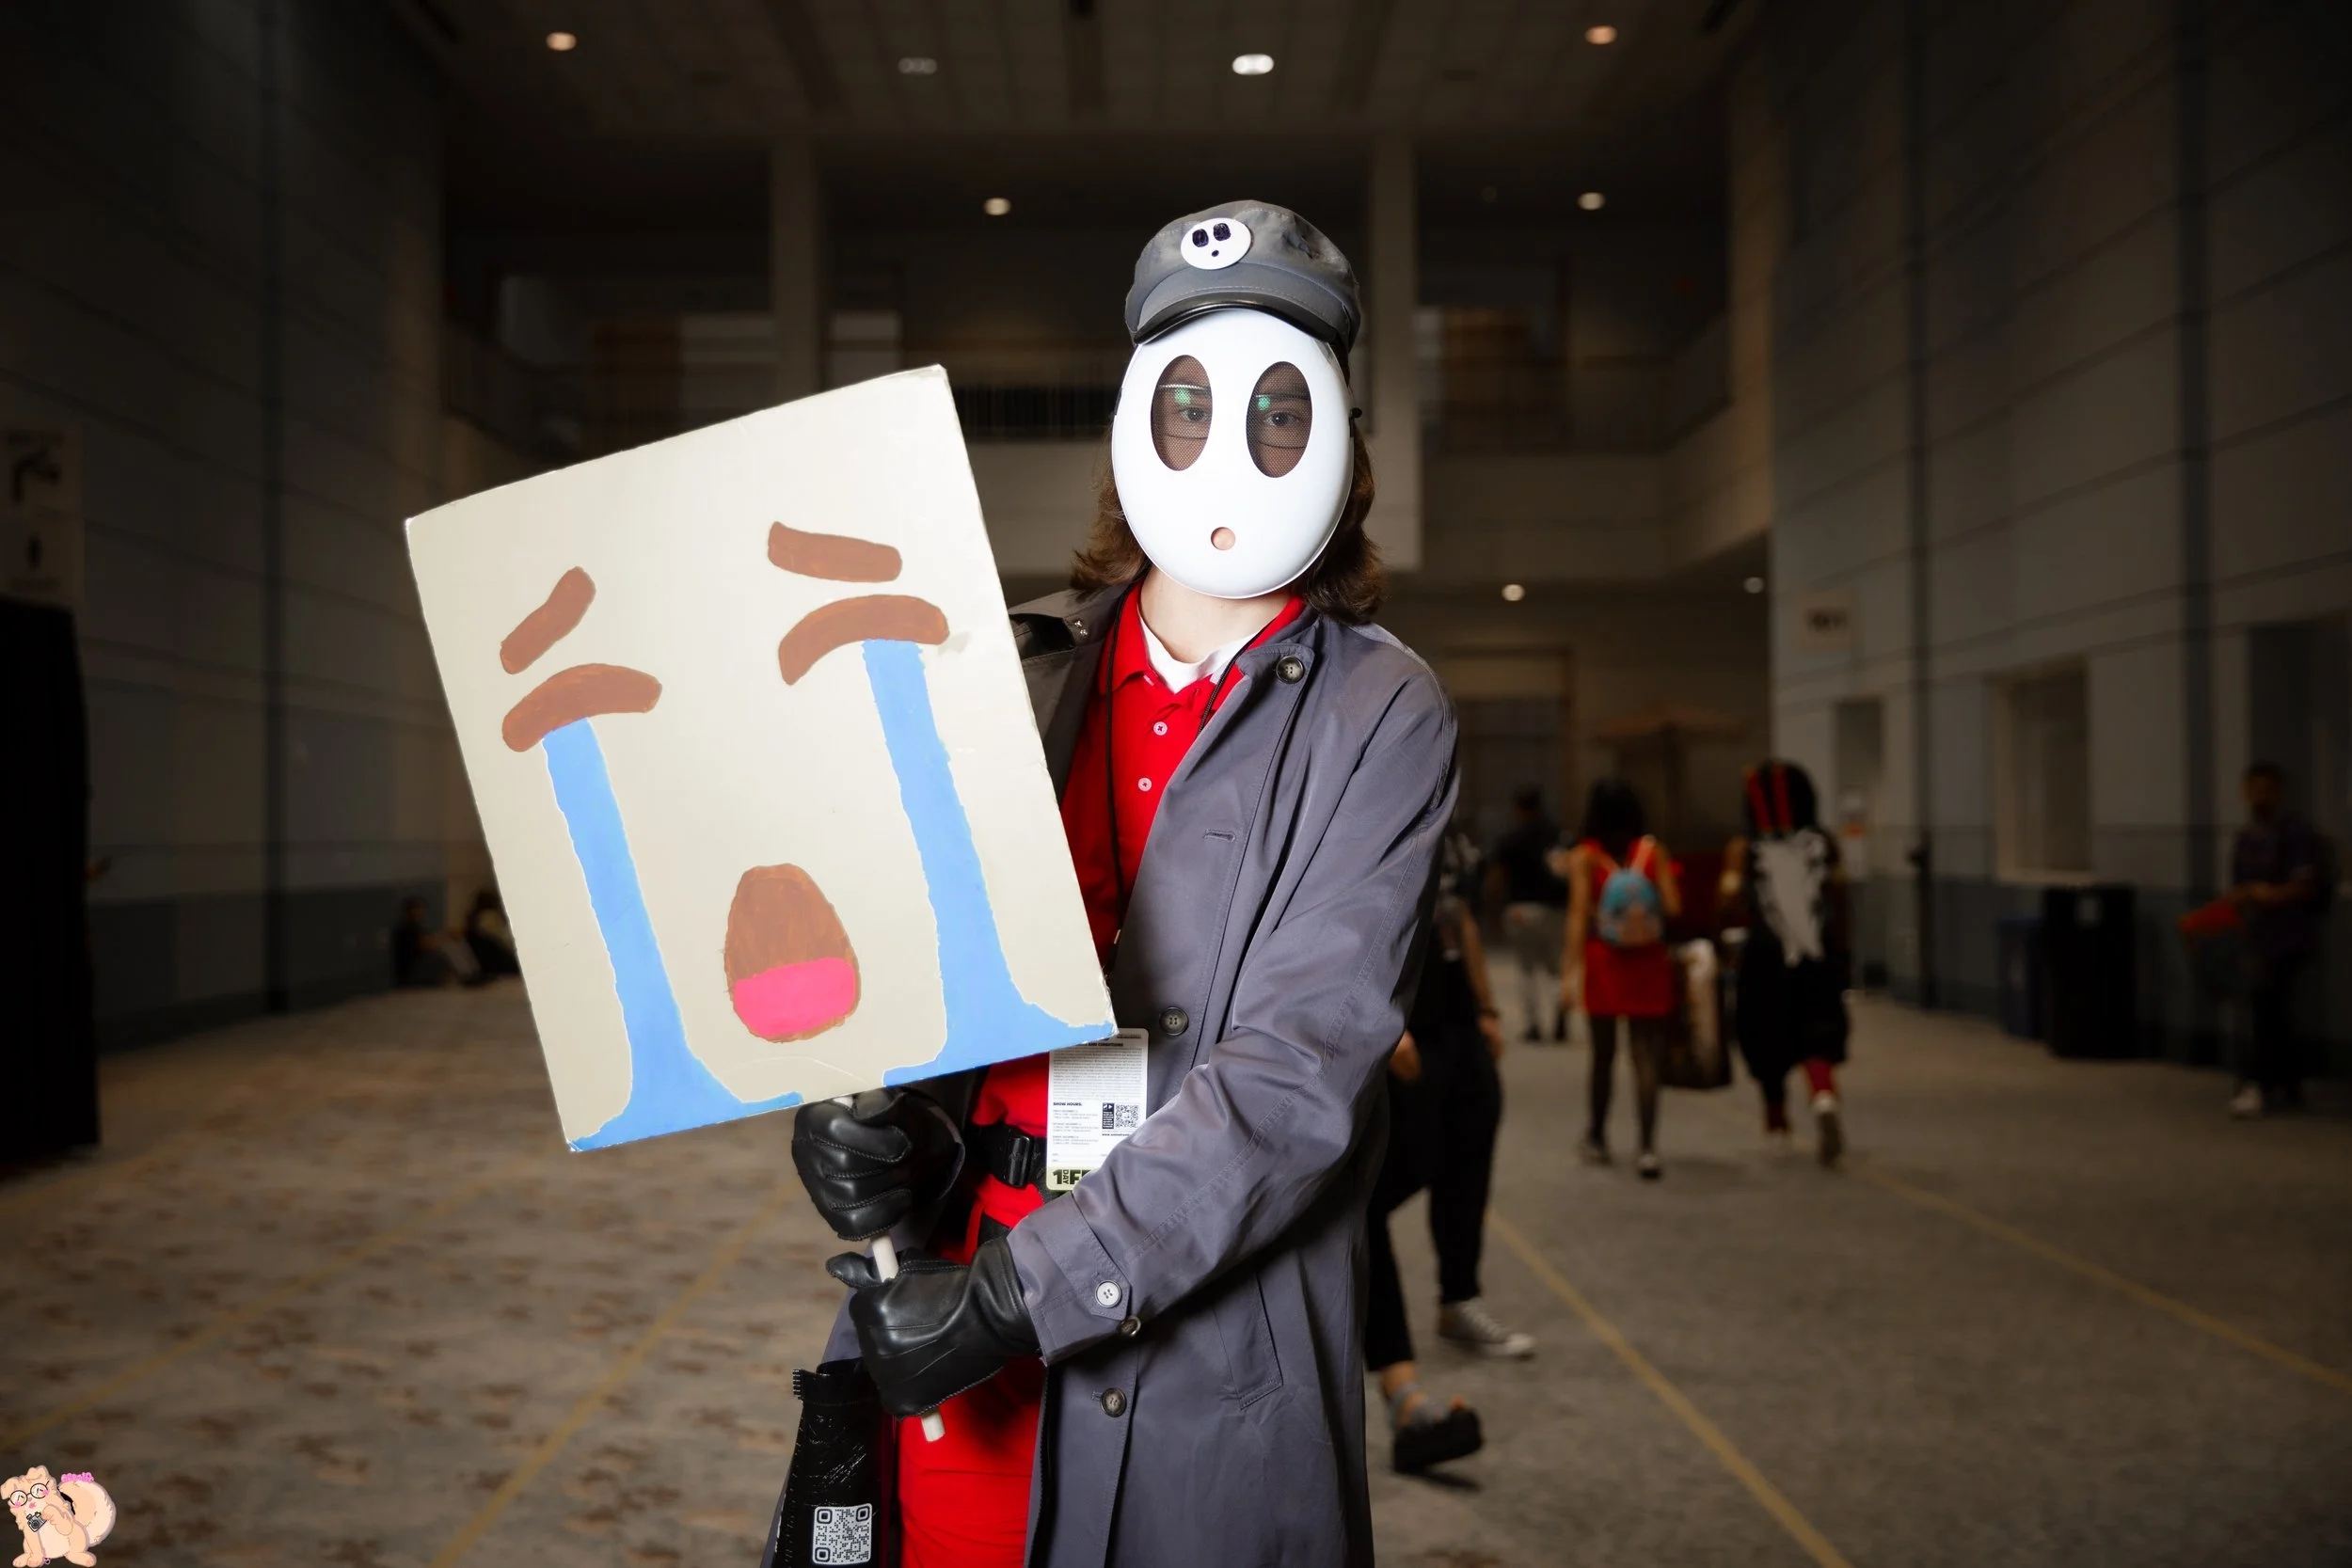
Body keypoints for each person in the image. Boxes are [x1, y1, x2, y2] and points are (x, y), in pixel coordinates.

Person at [789, 201, 1457, 1568]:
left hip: (1190, 1352)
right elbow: (927, 971)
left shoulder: (1381, 714)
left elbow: (1294, 1077)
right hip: (958, 1319)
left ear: (1340, 441)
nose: (1233, 448)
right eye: (1190, 405)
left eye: (1281, 411)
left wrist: (1014, 1296)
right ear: (1130, 423)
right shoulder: (1012, 667)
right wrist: (894, 1127)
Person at [1364, 857, 1534, 1474]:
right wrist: (1375, 1022)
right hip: (1397, 1026)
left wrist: (1486, 1008)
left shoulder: (1440, 814)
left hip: (1457, 1024)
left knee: (1470, 1147)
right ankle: (1401, 1391)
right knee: (1366, 1200)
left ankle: (1457, 1298)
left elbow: (1457, 913)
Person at [1719, 760, 1851, 1164]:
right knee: (1818, 1029)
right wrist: (1843, 952)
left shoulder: (1744, 849)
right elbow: (1839, 900)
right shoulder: (1825, 843)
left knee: (1766, 1033)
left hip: (1764, 955)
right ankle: (1822, 1094)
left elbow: (1728, 898)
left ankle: (1776, 1119)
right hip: (1817, 952)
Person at [1560, 778, 1681, 1180]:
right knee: (1645, 1056)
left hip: (1604, 960)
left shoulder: (1586, 856)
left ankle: (1597, 1136)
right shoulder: (1652, 851)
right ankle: (1647, 1148)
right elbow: (1673, 907)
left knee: (1603, 1054)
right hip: (1648, 962)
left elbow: (1578, 915)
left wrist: (1569, 973)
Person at [2227, 761, 2327, 1117]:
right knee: (2269, 1009)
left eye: (2267, 791)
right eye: (2255, 790)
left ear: (2279, 794)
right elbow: (2238, 887)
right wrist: (2242, 899)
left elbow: (2304, 886)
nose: (2261, 798)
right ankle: (2286, 1082)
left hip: (2287, 937)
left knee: (2268, 1007)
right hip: (2256, 934)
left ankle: (2259, 1082)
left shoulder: (2294, 835)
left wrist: (2269, 895)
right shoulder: (2246, 838)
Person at [1488, 786, 1569, 1041]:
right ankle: (1560, 1016)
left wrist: (1494, 910)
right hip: (1554, 909)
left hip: (1520, 910)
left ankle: (1534, 1025)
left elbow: (1497, 878)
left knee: (1527, 970)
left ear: (1518, 808)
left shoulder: (1512, 839)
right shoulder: (1557, 836)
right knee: (1556, 968)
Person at [465, 888, 520, 977]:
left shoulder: (476, 919)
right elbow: (503, 938)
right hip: (501, 957)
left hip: (490, 959)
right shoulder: (489, 918)